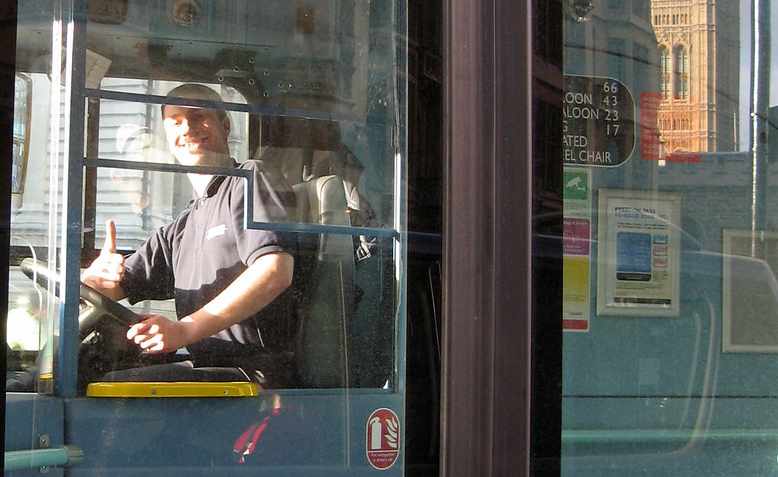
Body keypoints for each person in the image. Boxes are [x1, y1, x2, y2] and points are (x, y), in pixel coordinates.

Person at [81, 84, 297, 384]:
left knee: (105, 392)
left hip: (253, 377)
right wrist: (94, 277)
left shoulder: (250, 179)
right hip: (210, 371)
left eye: (198, 116)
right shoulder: (181, 227)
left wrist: (184, 330)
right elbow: (114, 287)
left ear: (225, 124)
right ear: (169, 137)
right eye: (176, 120)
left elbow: (275, 270)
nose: (189, 128)